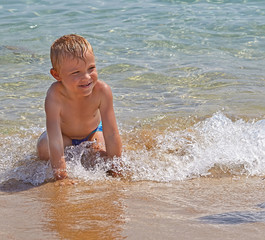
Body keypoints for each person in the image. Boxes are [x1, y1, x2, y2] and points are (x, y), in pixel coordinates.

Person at [37, 34, 122, 181]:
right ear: (56, 75)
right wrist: (61, 176)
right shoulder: (55, 95)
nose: (87, 77)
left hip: (92, 133)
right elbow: (55, 139)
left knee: (102, 159)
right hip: (64, 135)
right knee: (43, 151)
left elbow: (111, 134)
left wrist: (117, 166)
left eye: (91, 68)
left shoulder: (102, 91)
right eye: (76, 72)